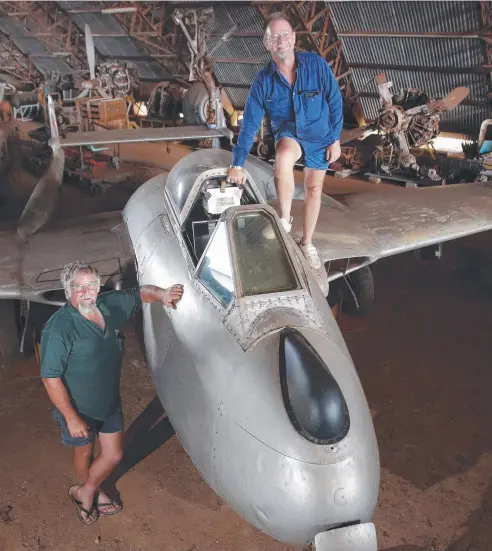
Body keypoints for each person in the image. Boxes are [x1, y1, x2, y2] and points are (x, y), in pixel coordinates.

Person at [40, 261, 184, 525]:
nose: (86, 292)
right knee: (84, 454)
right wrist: (71, 418)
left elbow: (141, 293)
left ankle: (86, 489)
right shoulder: (59, 329)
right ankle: (89, 495)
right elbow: (50, 378)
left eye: (91, 285)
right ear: (67, 291)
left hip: (108, 402)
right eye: (78, 287)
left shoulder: (110, 305)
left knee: (113, 455)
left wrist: (162, 294)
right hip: (79, 408)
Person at [226, 12, 343, 270]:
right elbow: (250, 124)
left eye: (285, 35)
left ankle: (307, 243)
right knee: (282, 157)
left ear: (294, 38)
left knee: (314, 190)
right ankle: (284, 219)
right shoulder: (263, 81)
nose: (281, 41)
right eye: (274, 37)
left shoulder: (315, 65)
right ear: (267, 44)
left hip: (320, 135)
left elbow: (335, 101)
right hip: (290, 134)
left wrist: (335, 138)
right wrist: (237, 162)